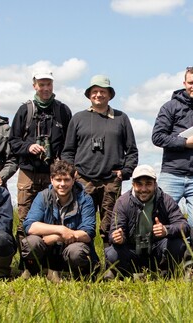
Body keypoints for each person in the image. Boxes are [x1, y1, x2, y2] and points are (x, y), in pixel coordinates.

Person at [62, 75, 138, 245]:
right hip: (83, 179)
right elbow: (68, 150)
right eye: (94, 91)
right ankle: (84, 262)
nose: (98, 95)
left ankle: (110, 264)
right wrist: (71, 171)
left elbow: (132, 150)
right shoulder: (78, 118)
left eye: (103, 91)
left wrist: (125, 172)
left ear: (109, 95)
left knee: (111, 224)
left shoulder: (121, 118)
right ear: (89, 95)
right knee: (81, 222)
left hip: (111, 180)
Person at [8, 71, 72, 246]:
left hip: (54, 174)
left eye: (48, 84)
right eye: (41, 84)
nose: (45, 88)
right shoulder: (25, 110)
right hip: (28, 172)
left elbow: (70, 143)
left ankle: (52, 263)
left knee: (54, 216)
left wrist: (62, 163)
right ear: (34, 85)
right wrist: (28, 147)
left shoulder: (63, 111)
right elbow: (13, 141)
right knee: (24, 217)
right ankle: (27, 263)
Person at [151, 66, 193, 226]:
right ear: (184, 83)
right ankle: (165, 251)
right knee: (160, 218)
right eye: (191, 82)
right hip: (172, 173)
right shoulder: (170, 107)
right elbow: (157, 137)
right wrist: (184, 143)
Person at [105, 165, 190, 279]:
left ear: (155, 184)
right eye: (139, 184)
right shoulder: (122, 202)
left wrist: (166, 230)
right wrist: (118, 238)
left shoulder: (166, 200)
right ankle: (129, 273)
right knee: (112, 253)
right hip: (132, 250)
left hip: (157, 250)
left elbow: (184, 226)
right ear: (133, 185)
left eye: (148, 184)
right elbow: (113, 232)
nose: (144, 189)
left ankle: (164, 272)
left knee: (178, 245)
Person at [21, 160, 99, 282]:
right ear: (52, 180)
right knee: (31, 242)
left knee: (76, 251)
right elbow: (30, 226)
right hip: (48, 249)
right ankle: (35, 270)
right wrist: (61, 230)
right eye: (58, 180)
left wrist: (57, 237)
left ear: (73, 180)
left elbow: (88, 233)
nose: (62, 184)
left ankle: (79, 275)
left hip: (71, 248)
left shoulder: (85, 199)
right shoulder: (42, 196)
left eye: (67, 180)